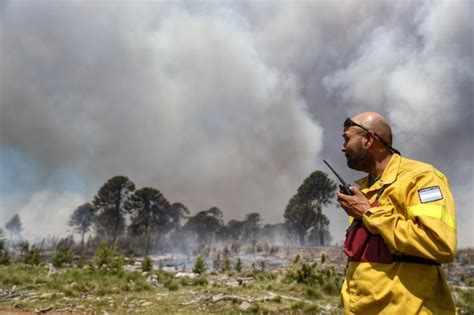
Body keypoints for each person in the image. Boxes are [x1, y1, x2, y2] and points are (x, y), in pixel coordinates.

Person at [336, 112, 457, 314]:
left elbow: (440, 244)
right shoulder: (364, 189)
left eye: (347, 139)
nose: (342, 147)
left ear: (368, 140)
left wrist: (370, 214)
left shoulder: (421, 178)